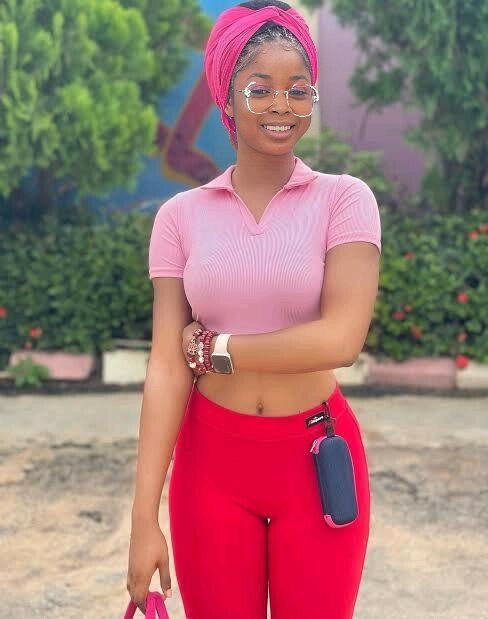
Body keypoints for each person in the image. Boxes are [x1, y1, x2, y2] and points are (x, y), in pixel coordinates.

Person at [126, 1, 381, 617]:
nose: (281, 105)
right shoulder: (180, 217)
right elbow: (166, 366)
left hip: (315, 459)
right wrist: (143, 518)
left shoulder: (344, 200)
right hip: (211, 466)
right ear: (227, 95)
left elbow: (340, 340)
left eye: (298, 89)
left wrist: (218, 349)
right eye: (260, 88)